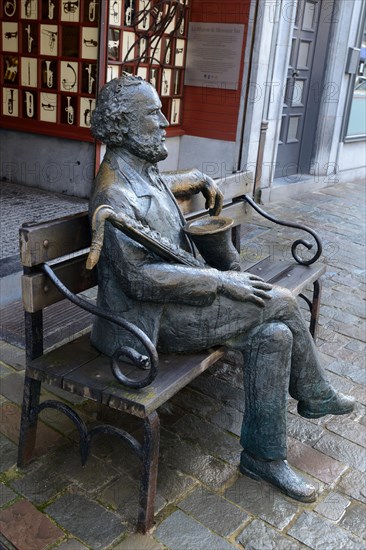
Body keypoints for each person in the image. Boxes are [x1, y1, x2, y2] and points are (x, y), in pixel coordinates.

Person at [88, 74, 354, 502]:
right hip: (147, 325)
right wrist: (221, 279)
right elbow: (142, 279)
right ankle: (314, 394)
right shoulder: (114, 193)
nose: (162, 121)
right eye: (152, 114)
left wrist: (191, 176)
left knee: (274, 336)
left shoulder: (138, 171)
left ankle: (264, 459)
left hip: (174, 304)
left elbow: (158, 187)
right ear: (123, 127)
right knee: (280, 302)